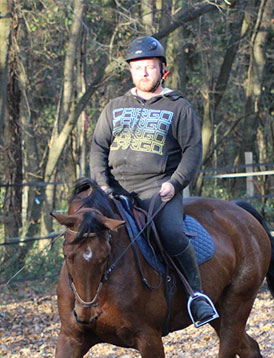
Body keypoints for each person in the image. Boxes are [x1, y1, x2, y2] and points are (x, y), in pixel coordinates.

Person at [89, 35, 218, 327]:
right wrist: (104, 185)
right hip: (115, 190)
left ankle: (196, 297)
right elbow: (98, 147)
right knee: (84, 234)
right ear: (130, 72)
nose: (143, 72)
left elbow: (192, 151)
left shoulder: (178, 107)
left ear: (163, 70)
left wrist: (175, 183)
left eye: (149, 67)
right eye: (137, 68)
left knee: (172, 233)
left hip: (158, 191)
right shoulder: (115, 107)